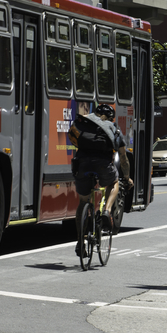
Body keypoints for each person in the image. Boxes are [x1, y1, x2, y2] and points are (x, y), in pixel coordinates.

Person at [69, 103, 131, 251]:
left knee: (83, 201)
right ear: (111, 117)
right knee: (114, 183)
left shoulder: (84, 123)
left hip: (82, 164)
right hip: (103, 164)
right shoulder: (113, 128)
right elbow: (123, 157)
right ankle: (107, 211)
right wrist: (127, 177)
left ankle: (79, 241)